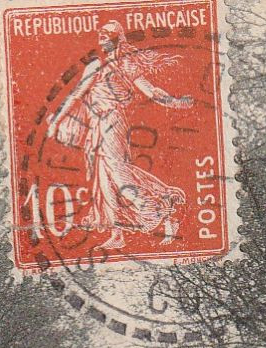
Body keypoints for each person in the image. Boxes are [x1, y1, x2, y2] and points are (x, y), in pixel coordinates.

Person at [46, 21, 194, 252]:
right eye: (100, 34)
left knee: (119, 174)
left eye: (106, 34)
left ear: (117, 37)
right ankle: (118, 233)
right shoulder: (94, 65)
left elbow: (150, 90)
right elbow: (76, 95)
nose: (101, 38)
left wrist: (174, 102)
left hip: (114, 121)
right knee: (104, 180)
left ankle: (160, 211)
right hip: (96, 124)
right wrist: (56, 120)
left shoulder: (126, 63)